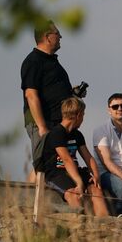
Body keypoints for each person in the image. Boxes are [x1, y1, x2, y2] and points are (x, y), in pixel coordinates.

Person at [21, 21, 85, 181]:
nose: (60, 36)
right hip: (43, 123)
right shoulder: (33, 61)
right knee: (42, 165)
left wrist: (73, 93)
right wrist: (42, 127)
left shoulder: (52, 61)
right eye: (57, 33)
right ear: (47, 37)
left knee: (49, 164)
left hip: (57, 123)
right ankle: (24, 202)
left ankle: (28, 201)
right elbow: (30, 94)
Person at [41, 97, 108, 216]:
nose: (83, 119)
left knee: (96, 190)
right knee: (74, 194)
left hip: (74, 170)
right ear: (78, 115)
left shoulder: (77, 134)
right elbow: (66, 159)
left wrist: (96, 176)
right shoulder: (56, 133)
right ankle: (80, 225)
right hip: (56, 173)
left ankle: (104, 224)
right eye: (83, 115)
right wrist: (79, 183)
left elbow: (88, 157)